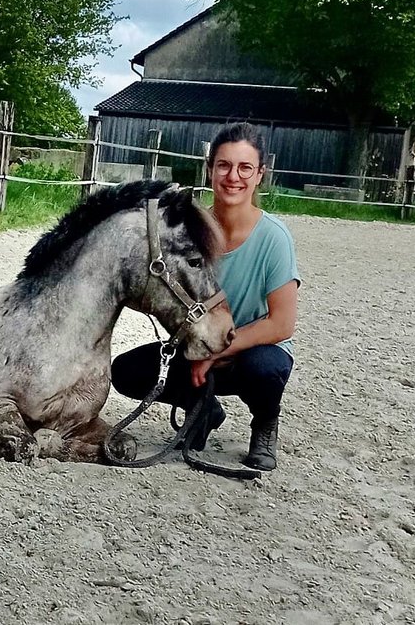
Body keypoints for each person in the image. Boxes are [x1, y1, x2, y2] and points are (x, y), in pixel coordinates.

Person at [111, 122, 300, 470]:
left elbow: (282, 324)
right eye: (224, 165)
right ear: (210, 169)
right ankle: (202, 409)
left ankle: (265, 424)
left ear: (260, 175)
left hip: (249, 354)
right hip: (196, 346)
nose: (233, 177)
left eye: (245, 168)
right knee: (125, 371)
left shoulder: (274, 238)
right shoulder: (189, 230)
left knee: (266, 368)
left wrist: (216, 353)